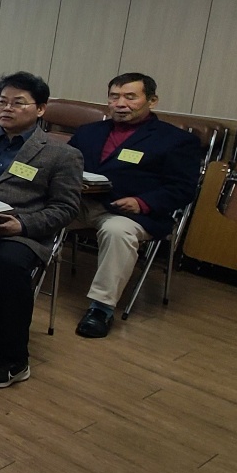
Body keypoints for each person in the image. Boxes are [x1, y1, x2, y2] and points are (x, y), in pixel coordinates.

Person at [0, 71, 82, 386]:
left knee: (9, 264)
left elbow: (66, 208)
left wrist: (21, 224)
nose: (7, 108)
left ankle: (13, 358)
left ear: (41, 109)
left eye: (18, 103)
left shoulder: (62, 154)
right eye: (2, 101)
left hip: (15, 230)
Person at [66, 73, 202, 338]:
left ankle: (101, 309)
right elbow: (64, 164)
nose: (120, 103)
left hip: (131, 214)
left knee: (117, 232)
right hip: (81, 203)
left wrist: (143, 202)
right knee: (34, 211)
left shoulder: (175, 140)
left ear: (152, 100)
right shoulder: (88, 132)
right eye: (114, 97)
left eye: (130, 97)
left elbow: (184, 188)